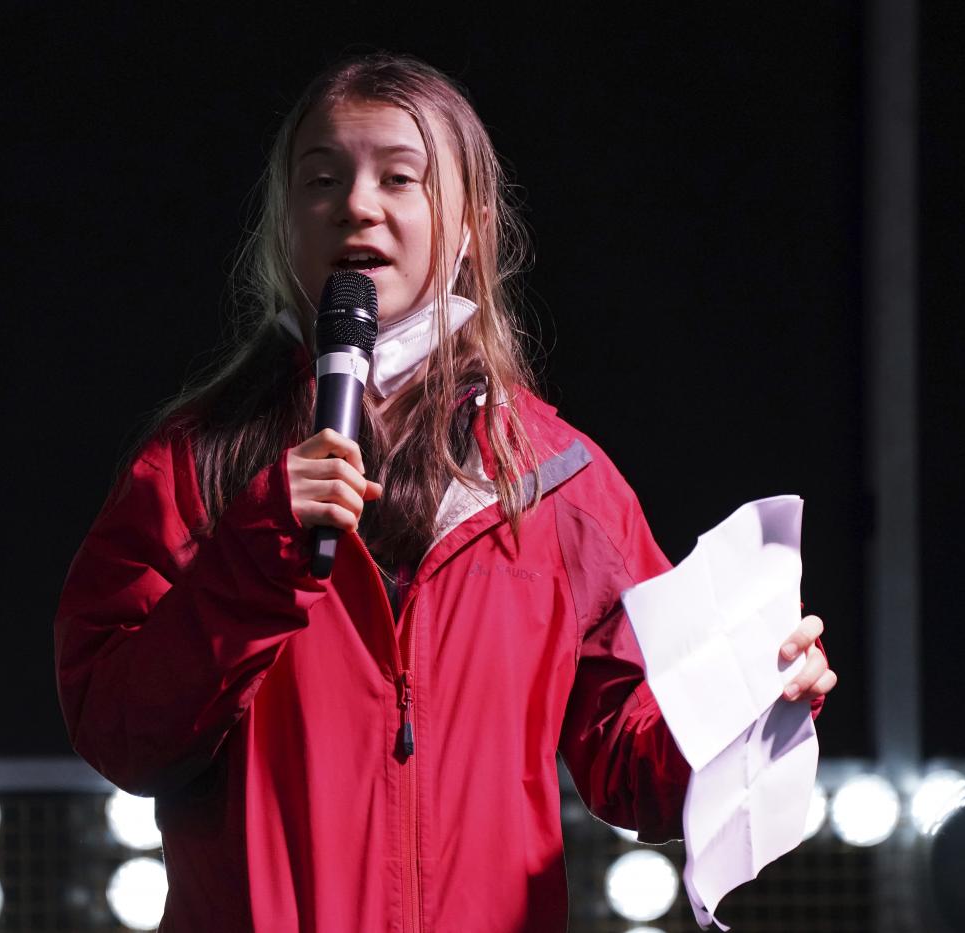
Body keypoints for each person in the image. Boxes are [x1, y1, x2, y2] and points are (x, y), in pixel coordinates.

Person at [53, 53, 836, 932]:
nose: (357, 204)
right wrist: (257, 550)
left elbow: (637, 770)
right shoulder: (196, 466)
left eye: (400, 177)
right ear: (286, 225)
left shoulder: (561, 481)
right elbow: (119, 730)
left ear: (470, 227)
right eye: (322, 179)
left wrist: (753, 709)